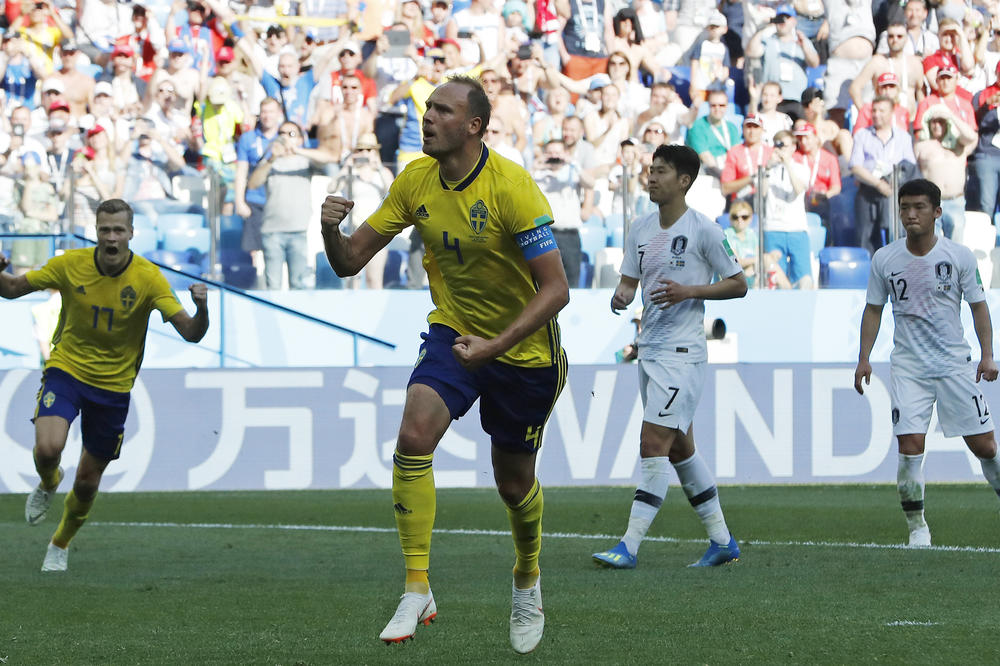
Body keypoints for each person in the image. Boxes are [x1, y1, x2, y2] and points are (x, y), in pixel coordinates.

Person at [321, 75, 568, 653]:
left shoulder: (512, 188)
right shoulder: (416, 180)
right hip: (454, 335)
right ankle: (416, 585)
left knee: (513, 484)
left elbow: (555, 290)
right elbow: (350, 262)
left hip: (524, 352)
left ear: (474, 126)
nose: (427, 117)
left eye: (442, 110)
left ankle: (527, 576)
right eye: (427, 107)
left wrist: (497, 345)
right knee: (413, 434)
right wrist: (330, 231)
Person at [0, 198, 209, 572]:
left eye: (119, 230)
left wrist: (202, 309)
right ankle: (48, 482)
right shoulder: (70, 265)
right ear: (95, 231)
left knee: (86, 483)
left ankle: (59, 543)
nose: (112, 237)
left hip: (113, 388)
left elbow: (191, 333)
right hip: (66, 370)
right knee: (48, 448)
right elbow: (12, 289)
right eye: (105, 230)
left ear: (131, 233)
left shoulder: (148, 278)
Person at [591, 144, 747, 570]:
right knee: (680, 450)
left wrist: (691, 290)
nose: (651, 177)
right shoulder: (640, 228)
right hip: (650, 351)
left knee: (652, 444)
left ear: (684, 181)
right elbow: (629, 281)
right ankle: (722, 541)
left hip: (683, 354)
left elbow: (739, 284)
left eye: (660, 171)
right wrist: (622, 296)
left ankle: (629, 545)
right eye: (650, 170)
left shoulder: (705, 231)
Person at [854, 178, 1000, 547]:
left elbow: (979, 308)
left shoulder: (960, 257)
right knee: (910, 446)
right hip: (909, 368)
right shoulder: (885, 259)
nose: (910, 214)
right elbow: (873, 310)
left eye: (919, 207)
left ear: (937, 212)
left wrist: (987, 354)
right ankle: (918, 527)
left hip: (953, 364)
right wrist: (863, 359)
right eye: (904, 207)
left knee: (985, 447)